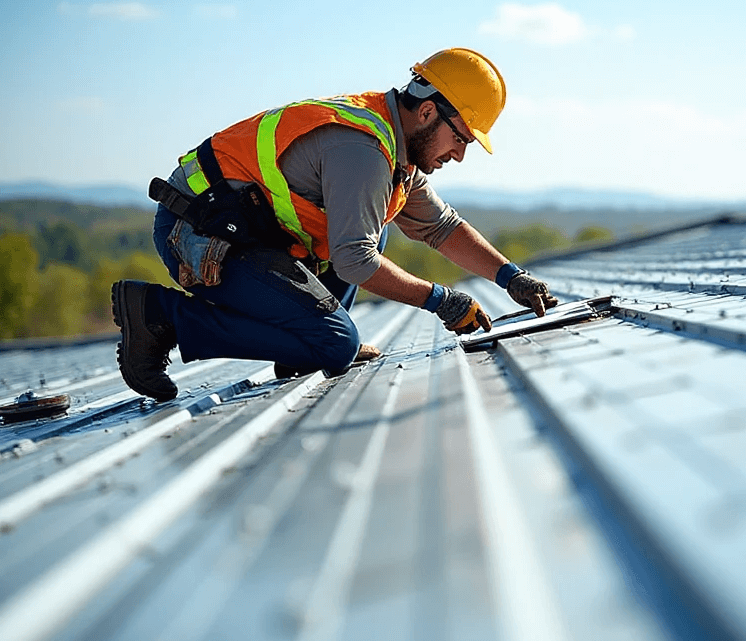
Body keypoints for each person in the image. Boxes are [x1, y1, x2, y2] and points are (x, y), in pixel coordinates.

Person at [111, 48, 558, 402]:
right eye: (460, 138)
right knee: (337, 344)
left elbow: (441, 227)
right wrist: (441, 300)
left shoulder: (393, 150)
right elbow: (355, 262)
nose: (459, 154)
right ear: (427, 113)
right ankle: (158, 314)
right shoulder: (361, 150)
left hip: (245, 233)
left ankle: (301, 344)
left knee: (375, 224)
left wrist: (510, 277)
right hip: (198, 232)